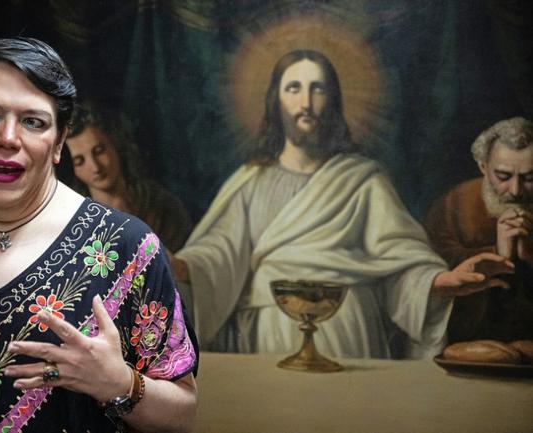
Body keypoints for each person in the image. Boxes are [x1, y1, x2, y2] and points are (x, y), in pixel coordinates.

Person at [0, 36, 198, 433]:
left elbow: (184, 417)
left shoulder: (128, 247)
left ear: (59, 143)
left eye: (33, 122)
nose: (8, 138)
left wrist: (118, 383)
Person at [171, 49, 513, 358]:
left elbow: (401, 263)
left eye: (317, 89)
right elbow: (215, 257)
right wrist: (173, 265)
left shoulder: (364, 179)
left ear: (332, 99)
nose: (306, 101)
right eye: (293, 88)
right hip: (270, 326)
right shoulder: (251, 180)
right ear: (275, 100)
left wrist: (442, 282)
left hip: (347, 324)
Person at [424, 117, 533, 342]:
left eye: (529, 178)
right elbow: (431, 268)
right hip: (468, 339)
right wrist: (496, 251)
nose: (515, 190)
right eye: (503, 176)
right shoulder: (455, 203)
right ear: (483, 166)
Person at [66, 103, 194, 252]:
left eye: (99, 151)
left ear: (115, 144)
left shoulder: (159, 204)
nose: (95, 167)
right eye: (79, 161)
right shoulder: (76, 226)